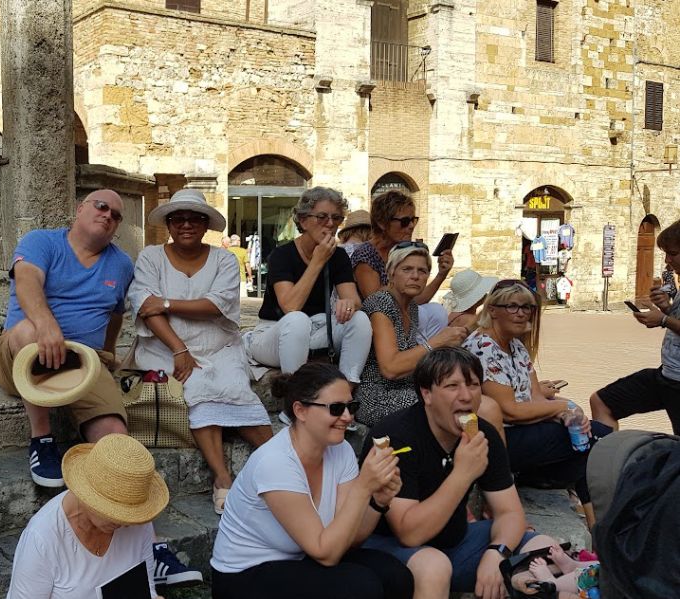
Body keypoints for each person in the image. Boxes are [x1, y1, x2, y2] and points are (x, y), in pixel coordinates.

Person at [0, 189, 200, 586]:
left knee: (118, 441)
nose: (108, 215)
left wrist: (106, 354)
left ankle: (149, 547)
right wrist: (49, 327)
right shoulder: (42, 241)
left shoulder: (120, 263)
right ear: (80, 209)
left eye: (116, 215)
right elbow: (27, 282)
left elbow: (117, 313)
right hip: (22, 352)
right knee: (32, 333)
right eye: (100, 206)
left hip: (84, 362)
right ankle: (43, 439)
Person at [362, 347, 559, 599]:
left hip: (456, 542)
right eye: (452, 386)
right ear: (427, 394)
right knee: (434, 566)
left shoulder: (481, 434)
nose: (466, 396)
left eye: (474, 384)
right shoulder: (396, 438)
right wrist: (462, 473)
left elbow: (510, 512)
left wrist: (496, 553)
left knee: (547, 552)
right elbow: (409, 533)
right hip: (390, 548)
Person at [209, 363, 413, 599]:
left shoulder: (341, 450)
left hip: (301, 559)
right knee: (360, 586)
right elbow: (326, 553)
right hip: (244, 576)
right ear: (301, 411)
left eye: (351, 406)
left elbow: (348, 538)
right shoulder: (276, 462)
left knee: (395, 575)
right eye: (336, 408)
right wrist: (363, 487)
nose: (347, 417)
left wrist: (378, 501)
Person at [129, 189, 272, 515]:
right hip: (165, 347)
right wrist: (179, 349)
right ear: (168, 223)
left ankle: (284, 461)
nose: (186, 224)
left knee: (236, 388)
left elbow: (215, 306)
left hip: (218, 344)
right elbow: (144, 308)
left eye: (195, 218)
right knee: (194, 385)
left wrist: (166, 302)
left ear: (206, 223)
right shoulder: (151, 257)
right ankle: (222, 478)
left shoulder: (223, 259)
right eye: (178, 218)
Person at [463, 279, 611, 527]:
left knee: (585, 445)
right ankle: (600, 522)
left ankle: (596, 526)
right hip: (498, 438)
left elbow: (536, 398)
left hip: (524, 430)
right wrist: (564, 407)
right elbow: (510, 411)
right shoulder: (483, 347)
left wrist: (566, 416)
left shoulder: (515, 345)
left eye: (527, 307)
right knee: (601, 438)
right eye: (512, 306)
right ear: (492, 310)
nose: (521, 314)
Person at [7, 434, 169, 599]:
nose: (125, 524)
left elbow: (144, 588)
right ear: (88, 495)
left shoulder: (136, 521)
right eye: (115, 513)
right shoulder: (42, 537)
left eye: (129, 515)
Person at [244, 187, 371, 382]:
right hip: (273, 334)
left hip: (317, 330)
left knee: (360, 319)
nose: (330, 224)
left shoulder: (338, 256)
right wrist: (317, 261)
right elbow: (290, 306)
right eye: (322, 217)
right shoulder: (282, 255)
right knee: (298, 320)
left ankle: (347, 388)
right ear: (303, 221)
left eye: (336, 218)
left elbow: (353, 299)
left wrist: (349, 304)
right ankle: (296, 393)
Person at [354, 243, 468, 427]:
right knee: (444, 402)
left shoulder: (410, 306)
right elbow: (390, 368)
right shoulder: (380, 304)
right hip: (376, 396)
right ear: (391, 273)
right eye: (407, 269)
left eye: (422, 271)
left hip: (408, 388)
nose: (415, 276)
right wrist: (437, 342)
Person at [591, 217, 680, 435]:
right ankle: (605, 462)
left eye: (673, 253)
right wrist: (666, 309)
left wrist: (662, 319)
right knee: (602, 401)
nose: (668, 260)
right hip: (667, 375)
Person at [351, 190, 451, 334]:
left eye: (413, 220)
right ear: (382, 223)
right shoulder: (365, 255)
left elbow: (416, 299)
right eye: (404, 222)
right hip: (376, 320)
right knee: (421, 314)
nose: (411, 226)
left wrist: (441, 274)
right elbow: (377, 302)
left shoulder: (402, 251)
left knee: (437, 311)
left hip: (403, 311)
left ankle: (427, 354)